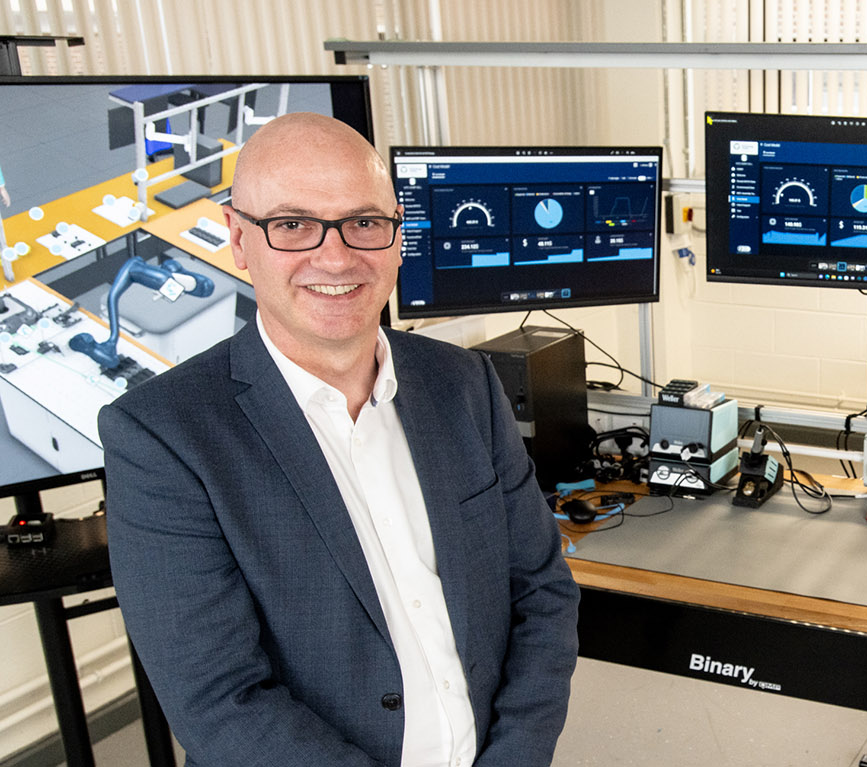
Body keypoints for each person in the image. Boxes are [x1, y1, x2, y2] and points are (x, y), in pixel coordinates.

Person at [102, 113, 579, 766]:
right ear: (238, 240)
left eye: (364, 221)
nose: (336, 255)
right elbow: (218, 699)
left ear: (398, 235)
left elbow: (542, 593)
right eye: (293, 225)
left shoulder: (462, 382)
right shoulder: (163, 436)